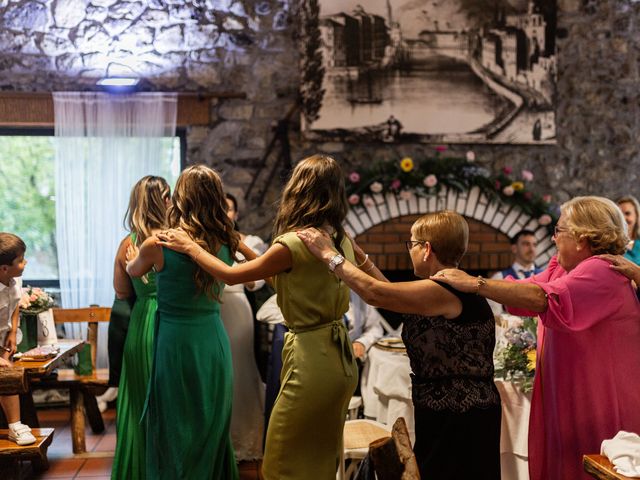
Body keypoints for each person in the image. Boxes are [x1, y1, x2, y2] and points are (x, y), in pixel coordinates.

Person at [157, 154, 359, 480]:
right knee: (320, 453)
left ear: (299, 189)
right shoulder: (338, 239)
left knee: (279, 458)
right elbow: (283, 280)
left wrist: (191, 248)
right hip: (341, 357)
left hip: (312, 359)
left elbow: (233, 276)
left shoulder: (293, 242)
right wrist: (237, 242)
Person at [432, 196, 640, 480]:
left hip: (595, 399)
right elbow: (524, 296)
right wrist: (480, 286)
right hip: (568, 393)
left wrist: (475, 284)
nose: (554, 239)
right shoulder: (563, 267)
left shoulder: (603, 269)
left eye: (559, 231)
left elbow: (543, 298)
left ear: (582, 238)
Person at [297, 210, 501, 480]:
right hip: (449, 409)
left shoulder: (444, 289)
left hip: (460, 415)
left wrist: (328, 256)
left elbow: (376, 294)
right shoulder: (441, 286)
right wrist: (360, 258)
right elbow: (394, 297)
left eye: (412, 244)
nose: (410, 250)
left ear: (427, 249)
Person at [126, 165, 241, 479]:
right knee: (210, 422)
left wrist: (131, 260)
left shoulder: (158, 244)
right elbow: (257, 264)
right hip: (212, 341)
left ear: (180, 197)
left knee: (176, 425)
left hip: (175, 342)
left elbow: (133, 271)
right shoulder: (228, 241)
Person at [111, 175, 170, 480]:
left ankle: (139, 469)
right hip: (174, 321)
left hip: (142, 322)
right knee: (170, 400)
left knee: (138, 401)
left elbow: (121, 292)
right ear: (166, 201)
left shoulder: (128, 244)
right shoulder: (177, 239)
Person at [220, 192, 267, 462]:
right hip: (211, 311)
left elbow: (258, 281)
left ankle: (245, 440)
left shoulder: (249, 242)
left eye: (229, 209)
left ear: (236, 214)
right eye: (220, 208)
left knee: (241, 371)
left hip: (237, 308)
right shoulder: (205, 241)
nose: (225, 213)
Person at [0, 232, 36, 445]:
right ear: (4, 268)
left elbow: (14, 306)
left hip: (3, 337)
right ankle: (14, 425)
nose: (25, 262)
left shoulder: (14, 280)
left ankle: (17, 424)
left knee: (9, 372)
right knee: (5, 373)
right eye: (20, 260)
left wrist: (13, 332)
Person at [489, 229, 544, 317]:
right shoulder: (499, 278)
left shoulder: (546, 276)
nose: (532, 249)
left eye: (534, 245)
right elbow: (495, 315)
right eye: (526, 244)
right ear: (514, 248)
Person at [617, 195, 640, 265]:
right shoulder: (609, 244)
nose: (623, 218)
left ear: (637, 216)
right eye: (619, 214)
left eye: (627, 213)